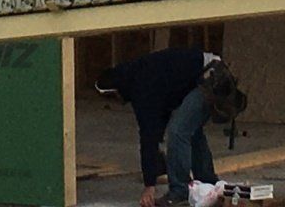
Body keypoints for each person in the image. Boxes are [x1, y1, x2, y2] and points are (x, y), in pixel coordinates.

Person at [95, 47, 242, 206]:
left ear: (116, 89)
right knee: (191, 130)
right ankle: (208, 185)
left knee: (178, 131)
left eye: (113, 96)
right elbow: (158, 119)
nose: (117, 101)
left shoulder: (141, 86)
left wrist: (149, 185)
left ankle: (180, 191)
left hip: (211, 77)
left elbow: (148, 135)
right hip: (211, 71)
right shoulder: (139, 74)